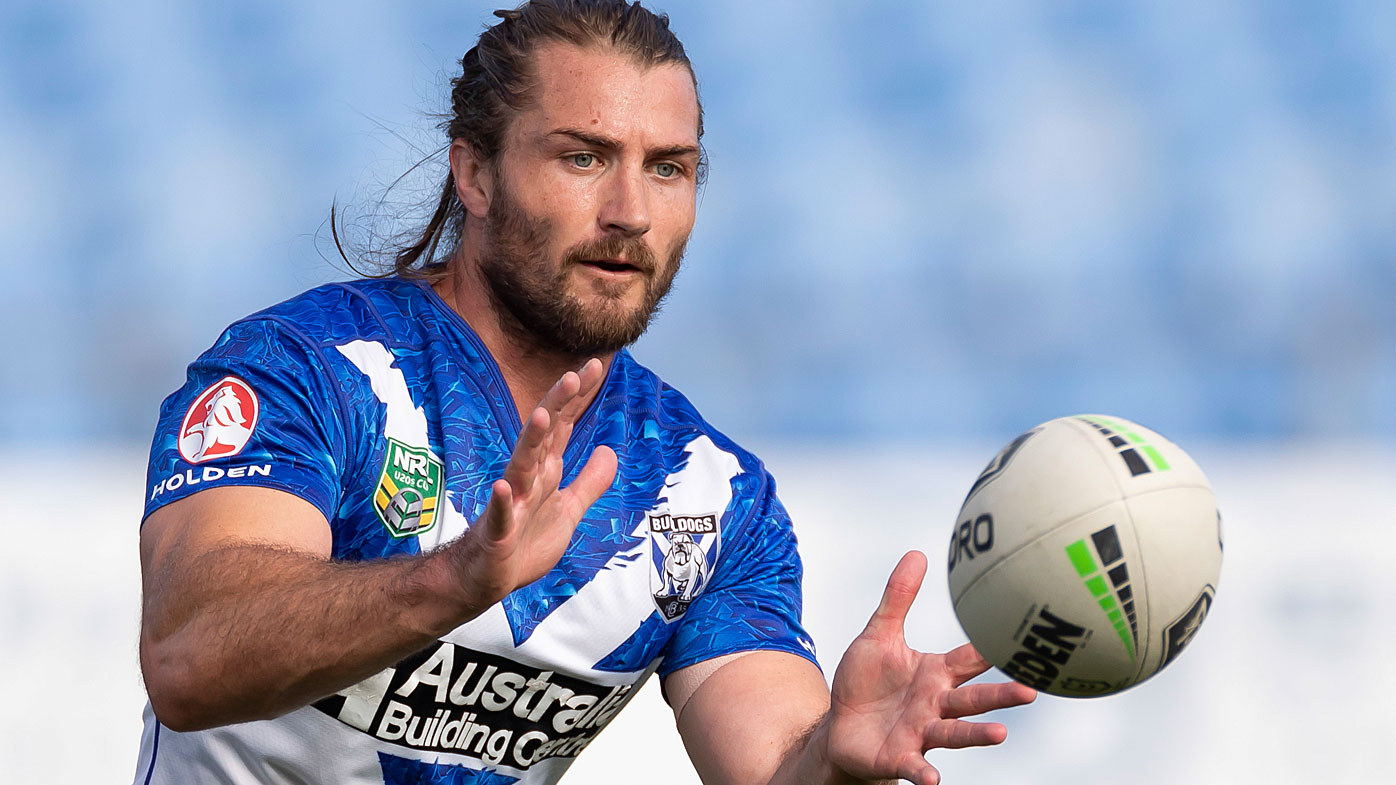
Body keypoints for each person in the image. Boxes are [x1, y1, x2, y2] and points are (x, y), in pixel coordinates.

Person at [134, 2, 1036, 783]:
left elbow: (771, 765)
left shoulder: (709, 493)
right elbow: (187, 656)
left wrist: (834, 758)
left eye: (668, 167)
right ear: (475, 173)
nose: (631, 212)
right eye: (583, 158)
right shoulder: (307, 370)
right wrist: (451, 581)